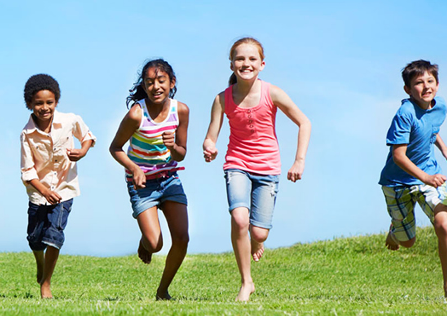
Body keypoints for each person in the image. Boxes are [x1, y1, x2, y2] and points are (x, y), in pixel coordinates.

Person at [202, 37, 311, 301]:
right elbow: (210, 135)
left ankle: (258, 239)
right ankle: (246, 282)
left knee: (258, 231)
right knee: (239, 219)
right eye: (240, 59)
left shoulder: (271, 93)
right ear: (231, 65)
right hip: (237, 163)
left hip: (268, 167)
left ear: (262, 64)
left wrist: (299, 160)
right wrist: (209, 146)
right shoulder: (222, 99)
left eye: (252, 59)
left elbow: (304, 122)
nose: (246, 63)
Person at [378, 60, 447, 301]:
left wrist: (444, 149)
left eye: (430, 81)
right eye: (418, 83)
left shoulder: (441, 106)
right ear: (407, 89)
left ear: (437, 84)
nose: (426, 87)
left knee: (443, 224)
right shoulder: (404, 114)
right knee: (407, 242)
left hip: (429, 176)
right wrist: (426, 177)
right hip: (397, 182)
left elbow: (431, 128)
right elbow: (398, 155)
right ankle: (395, 231)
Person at [109, 59, 190, 300]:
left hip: (170, 178)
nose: (156, 87)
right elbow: (115, 148)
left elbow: (182, 152)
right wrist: (134, 168)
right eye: (150, 82)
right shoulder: (136, 113)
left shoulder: (181, 111)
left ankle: (163, 290)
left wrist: (172, 145)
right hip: (142, 184)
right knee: (155, 244)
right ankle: (145, 242)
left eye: (161, 81)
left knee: (182, 238)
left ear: (171, 82)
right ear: (144, 86)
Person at [20, 74, 95, 299]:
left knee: (54, 234)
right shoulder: (27, 134)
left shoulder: (70, 120)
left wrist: (82, 151)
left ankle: (46, 284)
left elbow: (88, 136)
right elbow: (27, 171)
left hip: (64, 189)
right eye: (39, 103)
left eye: (49, 102)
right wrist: (43, 190)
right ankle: (40, 263)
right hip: (38, 193)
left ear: (56, 101)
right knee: (34, 238)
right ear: (29, 105)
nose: (45, 108)